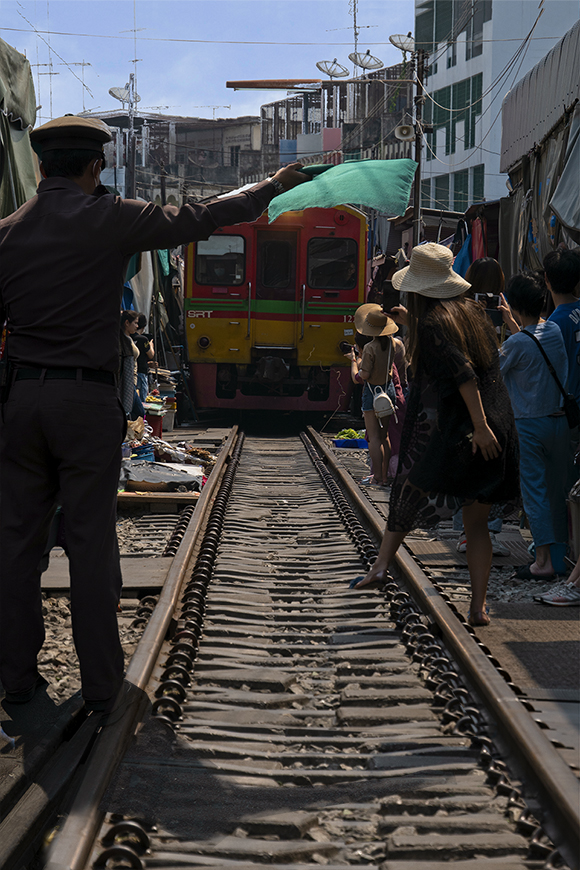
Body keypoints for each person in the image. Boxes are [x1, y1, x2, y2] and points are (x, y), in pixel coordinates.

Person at [0, 115, 307, 709]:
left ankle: (15, 680)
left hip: (20, 402)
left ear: (40, 166)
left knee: (14, 545)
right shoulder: (112, 218)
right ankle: (101, 687)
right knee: (90, 543)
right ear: (95, 166)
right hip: (86, 401)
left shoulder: (7, 231)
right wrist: (272, 184)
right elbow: (201, 217)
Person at [354, 244, 519, 629]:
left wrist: (477, 426)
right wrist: (410, 322)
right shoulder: (472, 316)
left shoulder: (432, 327)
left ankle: (380, 567)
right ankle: (478, 608)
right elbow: (456, 348)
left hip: (463, 431)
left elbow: (462, 372)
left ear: (418, 289)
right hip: (498, 427)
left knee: (408, 492)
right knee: (475, 523)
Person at [498, 273, 570, 581]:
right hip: (560, 423)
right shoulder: (553, 329)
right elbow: (532, 337)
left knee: (535, 493)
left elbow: (493, 374)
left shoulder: (514, 344)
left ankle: (541, 561)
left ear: (514, 306)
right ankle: (560, 555)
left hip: (528, 426)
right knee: (558, 493)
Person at [453, 257, 509, 557]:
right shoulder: (502, 309)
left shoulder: (461, 310)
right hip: (497, 394)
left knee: (469, 461)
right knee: (493, 464)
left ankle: (465, 531)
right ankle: (486, 531)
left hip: (468, 393)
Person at [347, 304, 402, 487]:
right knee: (385, 436)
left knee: (374, 437)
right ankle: (386, 477)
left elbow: (364, 376)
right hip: (389, 392)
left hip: (372, 393)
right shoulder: (392, 344)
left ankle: (377, 476)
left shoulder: (370, 347)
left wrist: (358, 363)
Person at [119, 310, 141, 418]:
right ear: (127, 323)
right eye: (135, 323)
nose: (137, 326)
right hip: (127, 381)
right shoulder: (123, 341)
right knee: (139, 412)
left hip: (132, 380)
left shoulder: (129, 339)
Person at [134, 313, 154, 403]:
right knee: (142, 401)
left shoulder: (128, 337)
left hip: (132, 372)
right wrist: (151, 345)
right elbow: (151, 355)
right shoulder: (143, 339)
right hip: (141, 372)